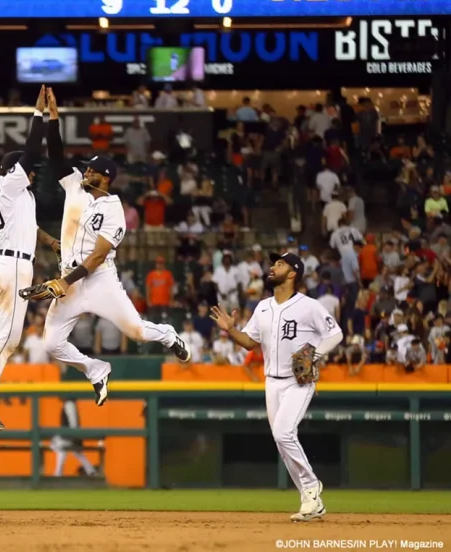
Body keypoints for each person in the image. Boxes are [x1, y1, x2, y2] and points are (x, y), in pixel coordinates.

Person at [35, 115, 191, 407]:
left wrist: (63, 283)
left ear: (104, 177)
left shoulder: (114, 208)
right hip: (69, 278)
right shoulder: (74, 187)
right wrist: (52, 121)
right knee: (52, 344)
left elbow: (96, 257)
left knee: (138, 333)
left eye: (92, 170)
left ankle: (168, 335)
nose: (86, 172)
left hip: (98, 279)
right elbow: (56, 155)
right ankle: (95, 369)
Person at [210, 252, 342, 522]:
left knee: (283, 434)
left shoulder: (309, 306)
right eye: (273, 263)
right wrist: (231, 330)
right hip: (272, 382)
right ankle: (310, 498)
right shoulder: (263, 307)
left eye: (279, 264)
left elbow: (336, 334)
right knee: (282, 442)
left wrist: (313, 354)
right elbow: (249, 343)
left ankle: (312, 488)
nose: (272, 267)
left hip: (299, 380)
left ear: (293, 273)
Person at [0, 86, 60, 431]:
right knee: (6, 338)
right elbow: (32, 152)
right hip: (12, 265)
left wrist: (50, 241)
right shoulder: (7, 183)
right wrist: (38, 115)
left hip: (11, 262)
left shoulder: (20, 195)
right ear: (14, 169)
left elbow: (30, 226)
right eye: (26, 169)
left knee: (4, 337)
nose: (32, 173)